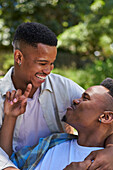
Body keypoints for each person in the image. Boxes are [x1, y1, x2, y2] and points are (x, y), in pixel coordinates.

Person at [0, 22, 84, 169]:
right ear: (18, 57)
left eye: (52, 63)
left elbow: (102, 113)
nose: (48, 70)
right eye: (42, 63)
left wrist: (110, 149)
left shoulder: (63, 87)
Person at [1, 78, 113, 170]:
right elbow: (7, 162)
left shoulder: (103, 164)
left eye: (85, 98)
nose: (75, 100)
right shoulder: (52, 143)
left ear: (106, 117)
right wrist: (10, 117)